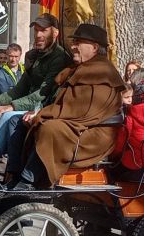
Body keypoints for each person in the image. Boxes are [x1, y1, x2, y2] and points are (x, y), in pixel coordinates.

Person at [12, 24, 125, 189]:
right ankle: (13, 176)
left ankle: (27, 182)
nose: (73, 47)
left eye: (78, 42)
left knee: (50, 129)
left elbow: (79, 110)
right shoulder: (81, 68)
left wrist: (41, 114)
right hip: (78, 125)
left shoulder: (102, 71)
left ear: (94, 47)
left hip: (94, 135)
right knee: (17, 123)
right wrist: (38, 114)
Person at [0, 13, 73, 173]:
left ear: (55, 33)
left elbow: (42, 93)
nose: (38, 35)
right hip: (30, 106)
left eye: (44, 30)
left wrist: (11, 106)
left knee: (7, 116)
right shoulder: (34, 56)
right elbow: (19, 89)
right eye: (36, 30)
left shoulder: (59, 57)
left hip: (44, 108)